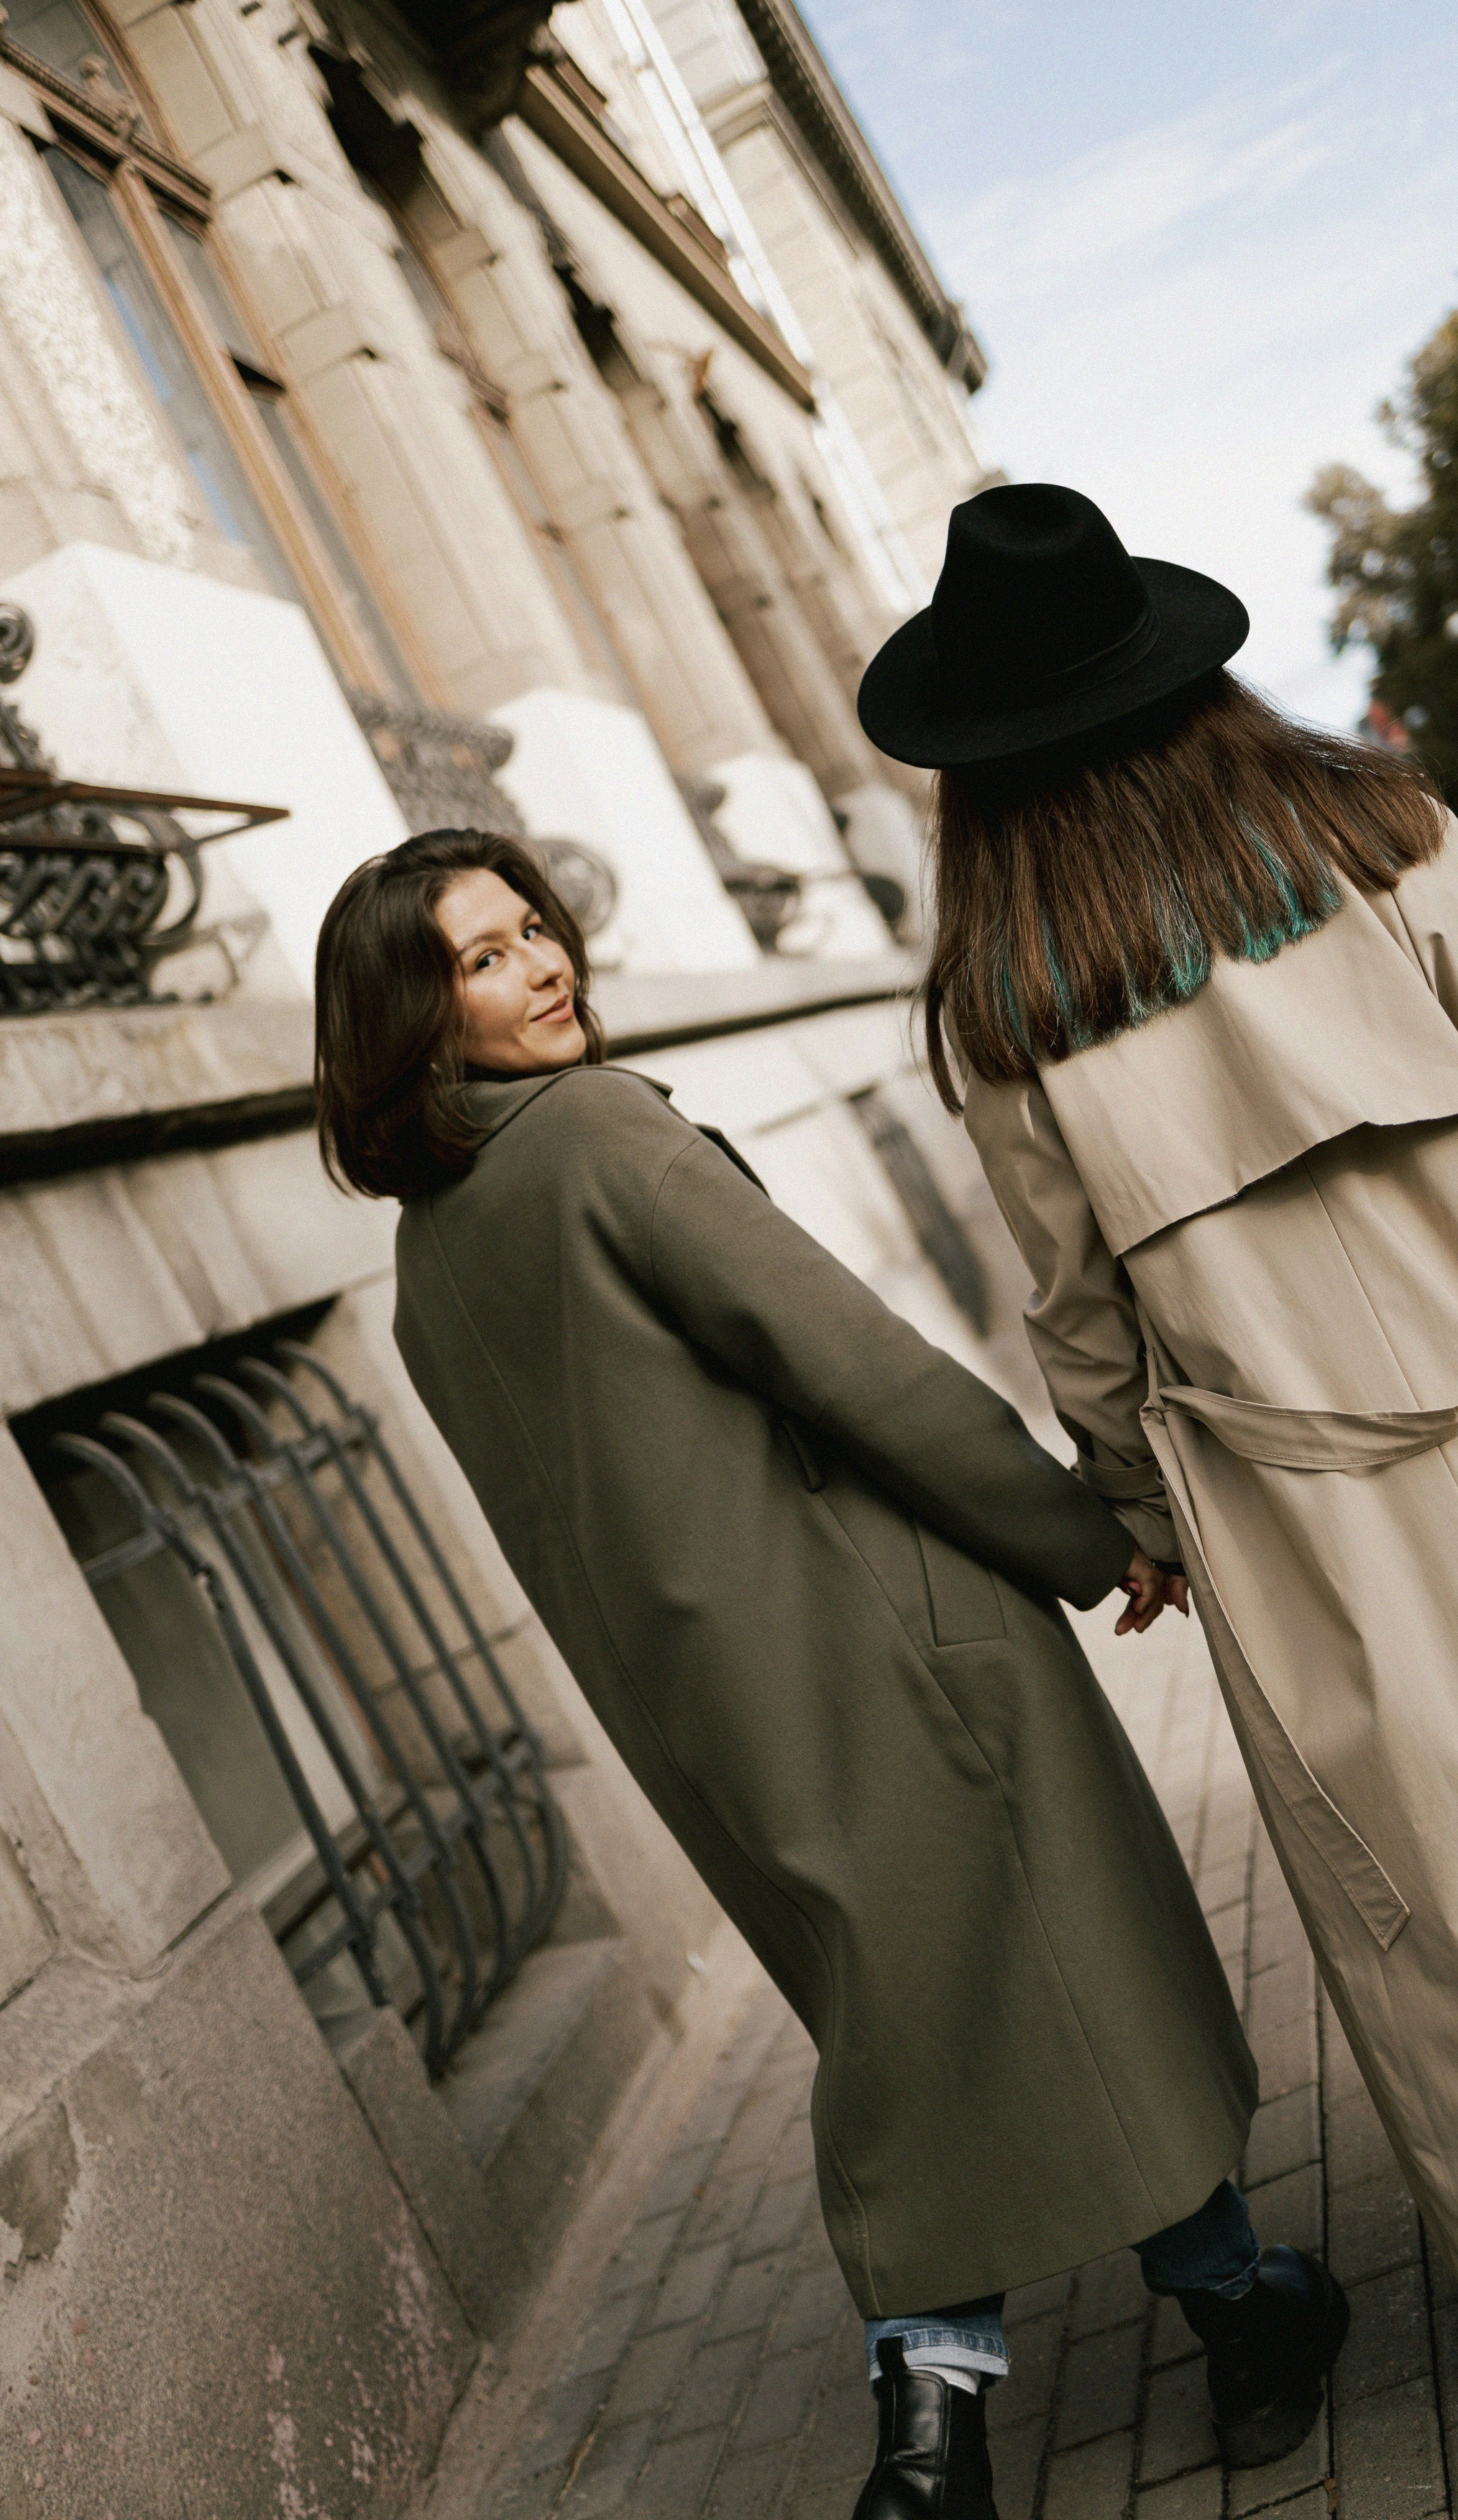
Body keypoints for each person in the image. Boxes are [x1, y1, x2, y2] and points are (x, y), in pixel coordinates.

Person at [312, 827, 1352, 2512]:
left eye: (533, 926)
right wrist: (1083, 1535)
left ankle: (963, 2426)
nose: (544, 964)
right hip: (880, 1644)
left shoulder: (429, 1261)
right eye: (482, 960)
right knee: (1059, 1968)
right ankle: (1220, 2325)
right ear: (411, 1023)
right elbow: (852, 1362)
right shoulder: (598, 1135)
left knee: (930, 2018)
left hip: (718, 1717)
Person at [856, 481, 1458, 2303]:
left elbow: (1079, 1317)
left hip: (1303, 1496)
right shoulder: (1385, 836)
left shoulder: (1006, 1003)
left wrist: (1143, 1511)